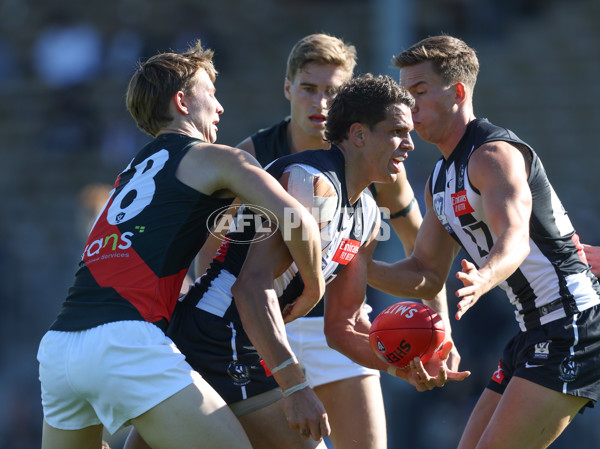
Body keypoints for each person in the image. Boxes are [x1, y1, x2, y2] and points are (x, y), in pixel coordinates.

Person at [124, 73, 470, 449]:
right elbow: (251, 287)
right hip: (216, 333)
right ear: (358, 135)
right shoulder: (307, 182)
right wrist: (296, 385)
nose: (408, 144)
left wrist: (399, 366)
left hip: (243, 339)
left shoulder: (369, 214)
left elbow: (343, 327)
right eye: (397, 132)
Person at [36, 39, 326, 449]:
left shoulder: (130, 171)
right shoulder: (217, 158)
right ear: (183, 102)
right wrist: (314, 287)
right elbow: (298, 220)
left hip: (60, 348)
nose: (220, 107)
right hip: (125, 342)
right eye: (211, 93)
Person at [367, 35, 600, 449]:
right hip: (531, 331)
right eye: (405, 95)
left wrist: (484, 276)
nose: (409, 107)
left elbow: (516, 240)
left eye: (419, 92)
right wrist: (349, 266)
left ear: (458, 92)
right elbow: (424, 273)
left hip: (574, 323)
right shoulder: (439, 179)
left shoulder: (493, 155)